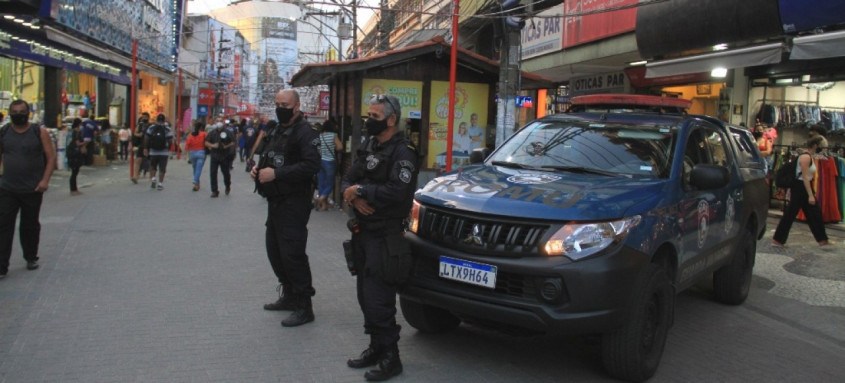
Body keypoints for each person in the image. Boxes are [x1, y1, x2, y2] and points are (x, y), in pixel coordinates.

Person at [341, 94, 419, 381]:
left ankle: (391, 357)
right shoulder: (370, 145)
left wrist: (361, 192)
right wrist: (352, 195)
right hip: (363, 233)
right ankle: (375, 347)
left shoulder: (404, 152)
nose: (368, 121)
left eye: (373, 117)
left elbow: (399, 193)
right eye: (368, 115)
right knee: (364, 296)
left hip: (386, 237)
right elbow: (349, 177)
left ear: (391, 120)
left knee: (378, 299)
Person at [251, 89, 321, 327]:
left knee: (293, 254)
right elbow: (268, 157)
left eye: (286, 104)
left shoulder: (306, 133)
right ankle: (289, 295)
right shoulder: (276, 129)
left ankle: (304, 306)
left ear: (297, 106)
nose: (281, 108)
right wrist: (258, 171)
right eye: (278, 103)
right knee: (275, 251)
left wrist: (277, 174)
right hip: (275, 202)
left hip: (295, 202)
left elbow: (312, 165)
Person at [0, 100, 57, 279]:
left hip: (33, 188)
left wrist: (45, 180)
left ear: (28, 113)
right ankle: (2, 266)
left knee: (30, 225)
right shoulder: (4, 132)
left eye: (22, 111)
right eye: (15, 111)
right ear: (10, 114)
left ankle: (31, 256)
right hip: (7, 188)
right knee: (3, 227)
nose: (18, 114)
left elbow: (50, 157)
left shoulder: (39, 132)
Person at [772, 136, 830, 247]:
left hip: (802, 187)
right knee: (799, 214)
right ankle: (778, 239)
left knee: (808, 214)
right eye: (821, 146)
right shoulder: (806, 157)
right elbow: (804, 177)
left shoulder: (808, 156)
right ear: (815, 145)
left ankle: (822, 240)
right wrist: (810, 195)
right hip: (801, 187)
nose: (822, 149)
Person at [316, 119, 343, 211]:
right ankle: (321, 198)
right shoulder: (333, 135)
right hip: (330, 161)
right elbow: (340, 147)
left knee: (321, 183)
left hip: (321, 161)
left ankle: (323, 205)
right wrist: (334, 147)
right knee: (330, 183)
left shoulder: (320, 135)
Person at [205, 119, 236, 197]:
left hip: (225, 156)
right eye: (217, 121)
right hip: (214, 155)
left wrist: (226, 146)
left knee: (226, 173)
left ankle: (227, 185)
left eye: (220, 121)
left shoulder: (228, 132)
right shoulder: (212, 133)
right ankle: (214, 191)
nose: (219, 122)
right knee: (213, 173)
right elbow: (206, 142)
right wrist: (212, 145)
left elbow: (233, 142)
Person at [144, 113, 173, 191]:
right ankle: (160, 184)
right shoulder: (167, 128)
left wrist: (146, 148)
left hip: (153, 151)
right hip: (164, 152)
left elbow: (146, 138)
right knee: (162, 168)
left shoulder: (151, 127)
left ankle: (153, 178)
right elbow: (170, 140)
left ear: (156, 120)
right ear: (164, 120)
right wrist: (168, 148)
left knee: (153, 166)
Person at [186, 121, 207, 191]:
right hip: (201, 152)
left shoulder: (190, 135)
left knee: (195, 169)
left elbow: (187, 146)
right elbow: (207, 142)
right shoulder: (204, 134)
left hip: (192, 153)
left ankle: (196, 184)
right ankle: (195, 180)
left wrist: (187, 154)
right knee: (199, 169)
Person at [67, 118, 86, 195]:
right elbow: (77, 143)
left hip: (73, 152)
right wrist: (85, 142)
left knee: (75, 171)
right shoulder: (76, 132)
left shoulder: (72, 132)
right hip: (74, 153)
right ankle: (73, 189)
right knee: (74, 172)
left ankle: (74, 189)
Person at [131, 113, 150, 183]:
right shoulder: (140, 125)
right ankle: (135, 176)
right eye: (142, 117)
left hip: (149, 146)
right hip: (142, 145)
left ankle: (151, 177)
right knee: (138, 160)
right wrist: (140, 134)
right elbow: (135, 133)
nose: (144, 119)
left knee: (150, 162)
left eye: (145, 117)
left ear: (148, 118)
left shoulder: (150, 125)